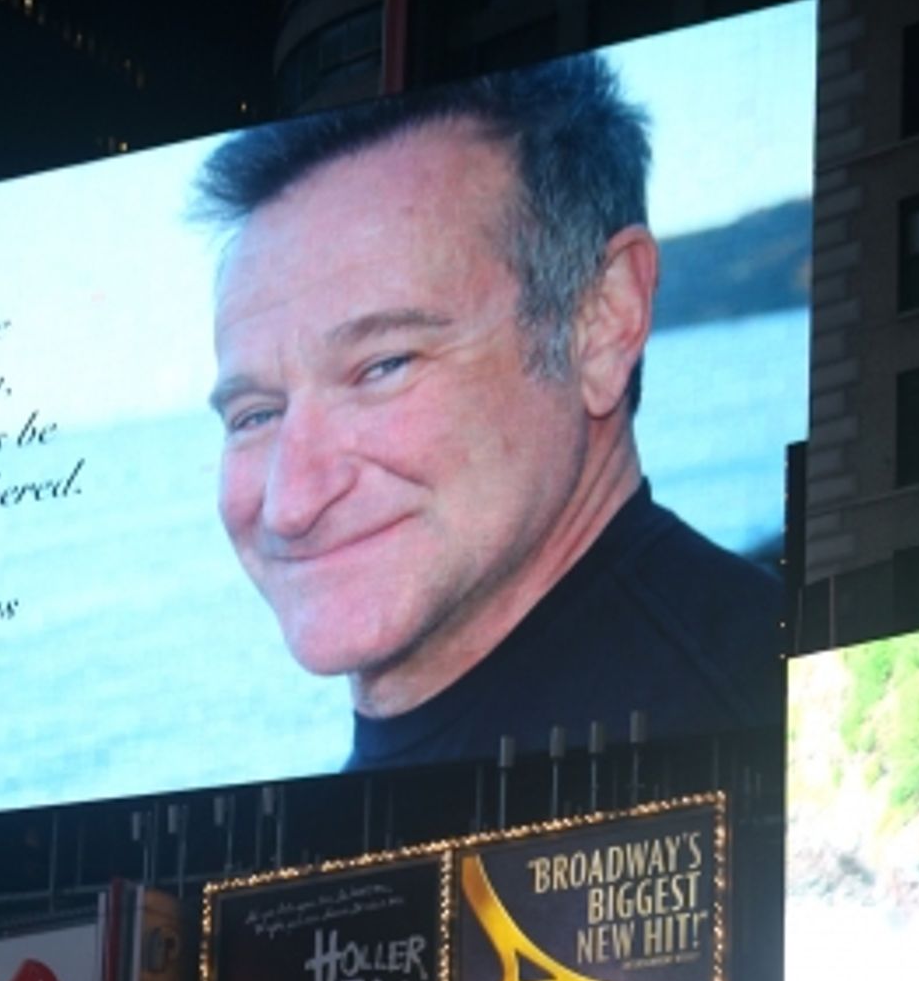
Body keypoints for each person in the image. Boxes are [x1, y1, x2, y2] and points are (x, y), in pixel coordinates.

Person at [196, 58, 780, 772]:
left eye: (383, 367)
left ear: (601, 324)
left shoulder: (770, 735)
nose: (291, 503)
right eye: (255, 415)